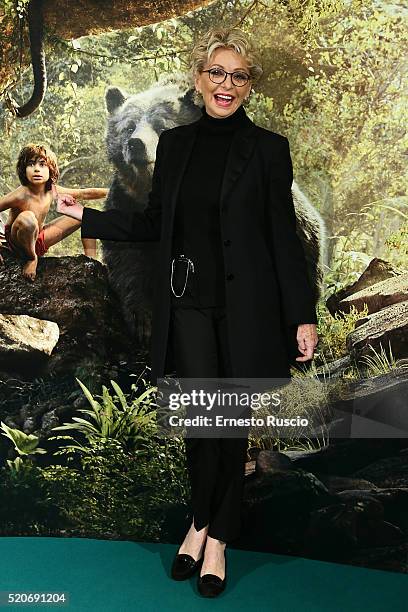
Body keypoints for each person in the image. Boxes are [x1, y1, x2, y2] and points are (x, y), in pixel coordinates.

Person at [57, 27, 319, 598]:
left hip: (250, 305)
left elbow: (285, 238)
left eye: (238, 75)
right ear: (198, 81)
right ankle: (203, 520)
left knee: (230, 420)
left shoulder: (269, 150)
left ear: (247, 85)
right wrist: (87, 218)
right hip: (190, 305)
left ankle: (214, 536)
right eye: (216, 73)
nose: (226, 85)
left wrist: (302, 314)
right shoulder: (176, 147)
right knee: (205, 419)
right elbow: (152, 226)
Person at [0, 143, 106, 280]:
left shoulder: (51, 190)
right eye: (31, 164)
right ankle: (32, 259)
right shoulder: (20, 194)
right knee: (27, 218)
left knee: (86, 215)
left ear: (50, 169)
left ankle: (92, 263)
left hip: (37, 240)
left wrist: (114, 192)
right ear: (23, 169)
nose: (37, 169)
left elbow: (85, 194)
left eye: (42, 164)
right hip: (17, 244)